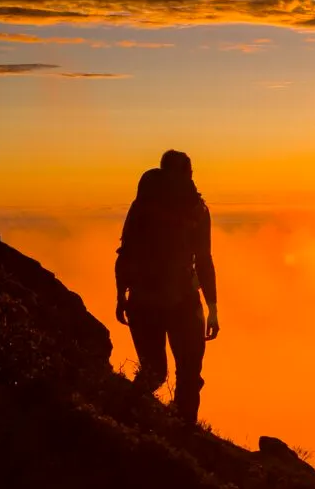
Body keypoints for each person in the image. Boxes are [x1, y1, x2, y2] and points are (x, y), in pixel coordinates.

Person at [115, 151, 219, 425]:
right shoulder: (197, 208)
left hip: (143, 298)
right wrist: (212, 307)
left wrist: (120, 295)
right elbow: (204, 260)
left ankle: (124, 419)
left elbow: (125, 251)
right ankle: (184, 432)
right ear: (188, 173)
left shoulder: (142, 205)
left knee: (154, 372)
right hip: (183, 300)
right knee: (188, 374)